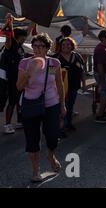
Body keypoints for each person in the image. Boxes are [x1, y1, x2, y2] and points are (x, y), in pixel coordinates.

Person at [16, 33, 66, 183]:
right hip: (30, 104)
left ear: (47, 48)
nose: (37, 49)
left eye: (41, 46)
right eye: (35, 45)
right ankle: (36, 170)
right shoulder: (25, 63)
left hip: (51, 104)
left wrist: (62, 104)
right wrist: (28, 74)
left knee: (52, 136)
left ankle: (51, 155)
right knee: (32, 139)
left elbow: (58, 84)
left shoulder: (53, 63)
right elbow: (19, 87)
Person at [2, 14, 33, 134]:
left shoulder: (20, 47)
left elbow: (29, 30)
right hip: (11, 79)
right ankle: (7, 124)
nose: (25, 40)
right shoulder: (10, 45)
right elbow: (8, 35)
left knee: (20, 101)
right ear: (17, 37)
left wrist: (33, 20)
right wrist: (9, 22)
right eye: (23, 38)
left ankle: (20, 121)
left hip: (20, 78)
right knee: (12, 102)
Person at [53, 37, 86, 134]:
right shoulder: (55, 58)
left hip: (74, 86)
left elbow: (82, 71)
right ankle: (59, 129)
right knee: (61, 107)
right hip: (60, 88)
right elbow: (50, 74)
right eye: (63, 45)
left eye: (68, 44)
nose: (66, 46)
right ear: (60, 46)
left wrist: (83, 84)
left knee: (70, 105)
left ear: (72, 45)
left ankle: (68, 124)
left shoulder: (77, 56)